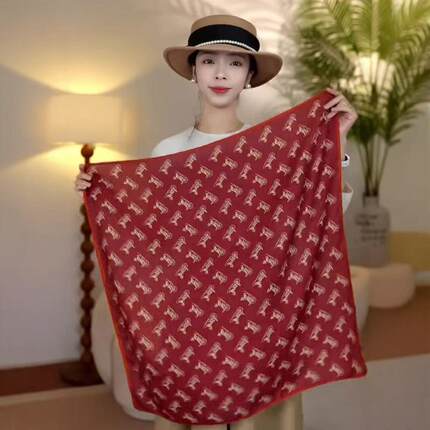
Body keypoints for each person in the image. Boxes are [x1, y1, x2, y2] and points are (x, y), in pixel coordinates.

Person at [75, 13, 356, 430]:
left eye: (235, 62)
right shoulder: (167, 151)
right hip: (188, 316)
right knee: (194, 410)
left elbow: (314, 220)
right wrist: (100, 195)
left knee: (260, 418)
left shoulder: (272, 149)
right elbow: (152, 239)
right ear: (193, 71)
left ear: (249, 76)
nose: (221, 73)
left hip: (260, 314)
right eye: (208, 61)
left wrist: (338, 140)